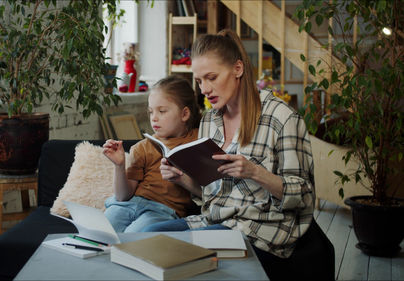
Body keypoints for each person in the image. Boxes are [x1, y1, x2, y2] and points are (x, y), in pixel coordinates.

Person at [143, 30, 334, 281]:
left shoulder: (282, 118)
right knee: (146, 236)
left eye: (211, 77)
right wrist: (181, 178)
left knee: (176, 261)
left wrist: (254, 171)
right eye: (199, 81)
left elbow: (304, 197)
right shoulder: (211, 119)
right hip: (214, 222)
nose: (204, 89)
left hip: (260, 229)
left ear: (238, 68)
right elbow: (214, 194)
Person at [102, 75, 201, 233]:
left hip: (163, 211)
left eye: (162, 111)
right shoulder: (142, 147)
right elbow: (122, 197)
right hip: (128, 204)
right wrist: (119, 166)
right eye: (150, 112)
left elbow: (208, 189)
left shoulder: (199, 140)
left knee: (132, 237)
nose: (154, 118)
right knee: (101, 230)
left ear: (184, 114)